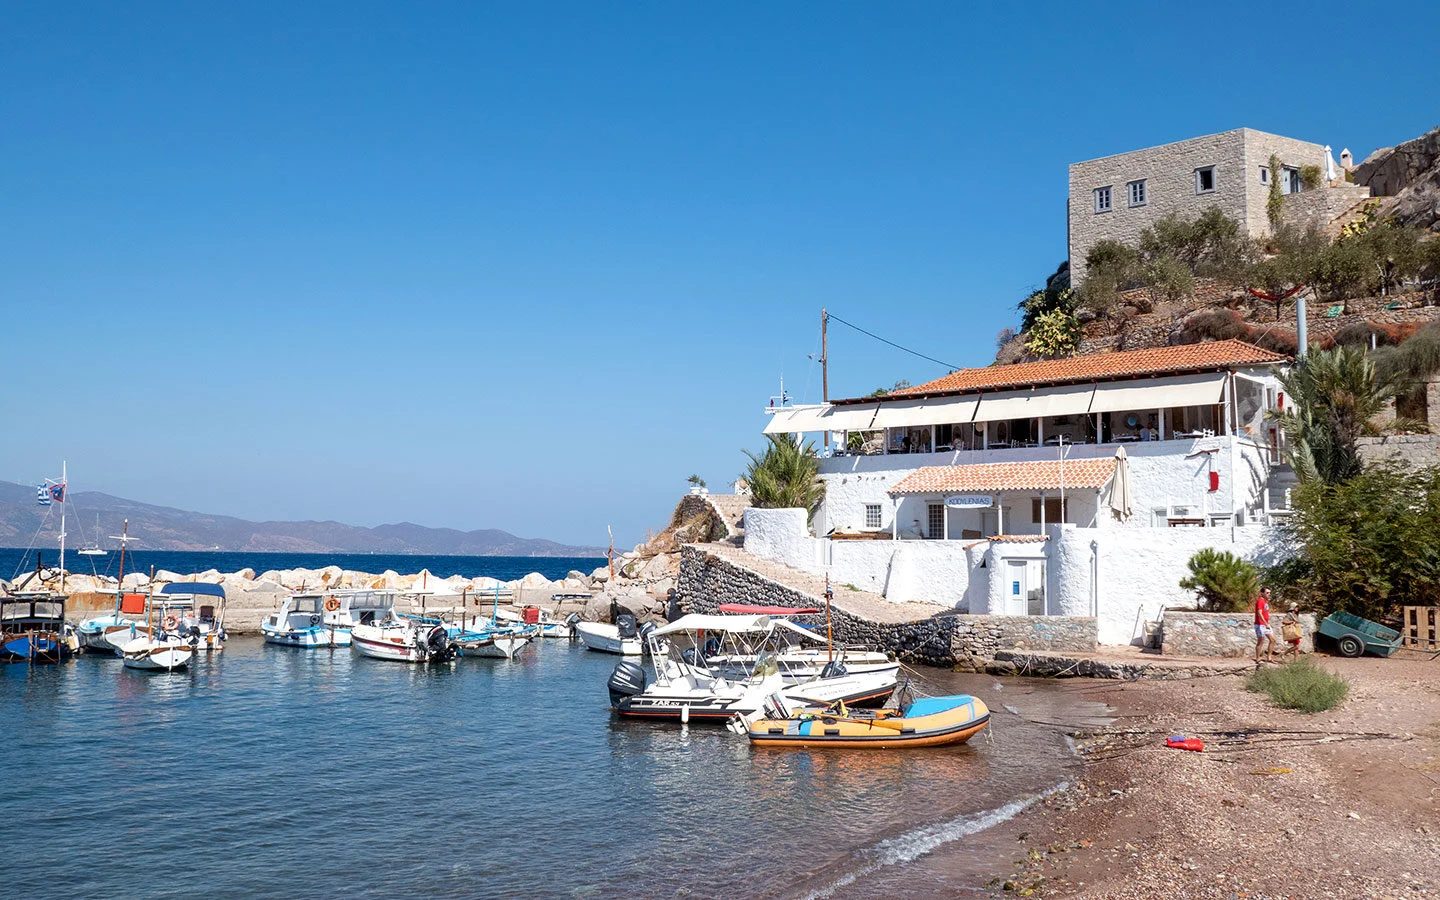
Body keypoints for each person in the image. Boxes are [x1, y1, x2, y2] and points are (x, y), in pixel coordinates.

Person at [1254, 586, 1275, 664]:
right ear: (1262, 593)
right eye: (1267, 593)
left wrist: (1267, 623)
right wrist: (1265, 623)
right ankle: (1258, 658)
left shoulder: (1266, 602)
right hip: (1260, 624)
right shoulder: (1260, 601)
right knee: (1261, 641)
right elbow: (1259, 613)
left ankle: (1269, 657)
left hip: (1265, 624)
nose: (1269, 594)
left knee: (1273, 640)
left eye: (1269, 593)